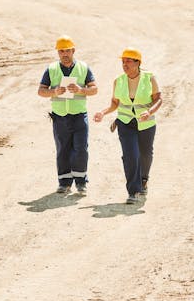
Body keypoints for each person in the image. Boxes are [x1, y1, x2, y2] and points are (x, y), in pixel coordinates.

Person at [94, 48, 162, 204]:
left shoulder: (149, 78)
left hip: (146, 123)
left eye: (128, 61)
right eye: (123, 61)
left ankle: (143, 179)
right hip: (125, 123)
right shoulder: (119, 80)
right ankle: (134, 191)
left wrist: (149, 112)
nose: (124, 64)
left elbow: (158, 99)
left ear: (138, 63)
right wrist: (103, 112)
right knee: (130, 155)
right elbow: (115, 103)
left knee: (145, 154)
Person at [38, 35, 98, 194]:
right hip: (60, 117)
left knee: (80, 149)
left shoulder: (84, 68)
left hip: (79, 115)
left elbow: (94, 89)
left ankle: (81, 182)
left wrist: (81, 90)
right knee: (63, 149)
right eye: (61, 51)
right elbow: (41, 91)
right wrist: (54, 91)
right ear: (58, 52)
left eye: (67, 50)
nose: (64, 54)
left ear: (73, 51)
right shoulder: (51, 69)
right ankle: (64, 183)